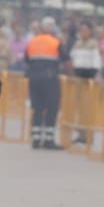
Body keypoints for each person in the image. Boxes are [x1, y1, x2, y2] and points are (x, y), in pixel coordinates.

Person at [24, 17, 65, 150]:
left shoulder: (32, 42)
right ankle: (49, 140)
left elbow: (27, 59)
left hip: (34, 78)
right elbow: (66, 59)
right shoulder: (56, 42)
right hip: (50, 79)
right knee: (52, 108)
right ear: (52, 29)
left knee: (37, 108)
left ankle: (36, 139)